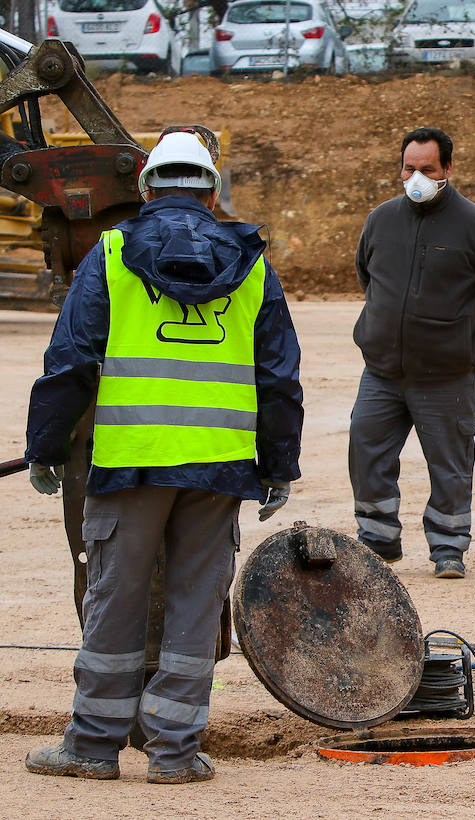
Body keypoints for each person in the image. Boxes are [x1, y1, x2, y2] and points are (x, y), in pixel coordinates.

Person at [22, 130, 304, 783]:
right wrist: (278, 466)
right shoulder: (252, 265)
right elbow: (279, 379)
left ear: (146, 189)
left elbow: (70, 362)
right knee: (195, 605)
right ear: (212, 193)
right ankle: (175, 753)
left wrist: (45, 448)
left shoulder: (113, 252)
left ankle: (93, 747)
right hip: (218, 466)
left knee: (115, 597)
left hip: (130, 460)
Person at [350, 127, 475, 579]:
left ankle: (448, 548)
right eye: (409, 168)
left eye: (427, 169)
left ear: (447, 168)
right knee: (366, 452)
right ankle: (377, 541)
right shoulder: (380, 220)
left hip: (446, 375)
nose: (416, 177)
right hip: (383, 371)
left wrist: (461, 336)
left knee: (449, 464)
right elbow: (368, 276)